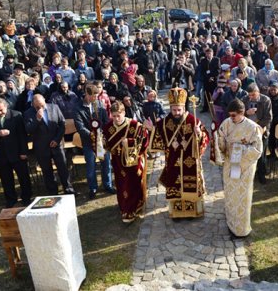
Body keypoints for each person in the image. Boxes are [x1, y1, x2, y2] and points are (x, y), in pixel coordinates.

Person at [147, 87, 210, 218]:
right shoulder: (164, 123)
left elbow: (205, 138)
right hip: (172, 161)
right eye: (174, 110)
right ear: (170, 108)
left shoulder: (193, 121)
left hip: (190, 161)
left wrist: (199, 134)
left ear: (183, 108)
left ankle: (193, 212)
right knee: (174, 185)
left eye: (179, 110)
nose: (176, 113)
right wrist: (151, 129)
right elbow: (158, 139)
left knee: (190, 185)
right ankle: (176, 213)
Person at [217, 99, 263, 237]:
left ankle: (241, 229)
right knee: (231, 195)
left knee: (243, 197)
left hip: (245, 167)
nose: (231, 118)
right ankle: (231, 223)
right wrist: (220, 142)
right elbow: (221, 140)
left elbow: (257, 149)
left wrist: (240, 149)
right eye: (230, 115)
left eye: (233, 115)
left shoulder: (252, 127)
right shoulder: (226, 123)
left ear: (242, 113)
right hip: (230, 165)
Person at [103, 102, 148, 223]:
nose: (117, 118)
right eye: (114, 116)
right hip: (118, 163)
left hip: (133, 162)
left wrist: (129, 142)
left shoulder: (134, 125)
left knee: (134, 183)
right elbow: (105, 145)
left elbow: (144, 141)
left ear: (123, 113)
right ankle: (125, 207)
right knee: (122, 184)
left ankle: (135, 206)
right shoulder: (108, 128)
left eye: (119, 115)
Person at [0, 98, 32, 207]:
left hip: (18, 153)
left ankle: (26, 197)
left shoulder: (17, 115)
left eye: (1, 110)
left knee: (23, 177)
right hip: (2, 155)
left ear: (6, 107)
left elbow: (22, 136)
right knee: (6, 179)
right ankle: (11, 199)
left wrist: (23, 152)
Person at [24, 94, 76, 195]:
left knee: (63, 168)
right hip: (41, 147)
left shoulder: (54, 107)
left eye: (42, 105)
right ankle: (53, 192)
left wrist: (57, 139)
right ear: (33, 105)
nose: (40, 108)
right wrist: (37, 119)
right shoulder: (28, 113)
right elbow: (28, 130)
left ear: (44, 100)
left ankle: (68, 189)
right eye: (37, 106)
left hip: (57, 144)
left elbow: (62, 124)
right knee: (47, 171)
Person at [74, 84, 114, 199]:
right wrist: (93, 135)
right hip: (88, 142)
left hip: (101, 141)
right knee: (90, 166)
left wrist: (101, 134)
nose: (95, 98)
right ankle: (93, 188)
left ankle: (107, 185)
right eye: (93, 96)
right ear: (86, 94)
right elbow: (80, 127)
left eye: (97, 96)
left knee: (106, 164)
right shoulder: (78, 108)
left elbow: (105, 121)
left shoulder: (100, 104)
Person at [242, 84, 272, 184]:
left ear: (258, 92)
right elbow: (239, 114)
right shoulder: (244, 99)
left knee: (261, 154)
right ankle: (250, 174)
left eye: (253, 95)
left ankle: (261, 175)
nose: (251, 97)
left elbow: (268, 118)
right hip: (247, 131)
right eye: (249, 95)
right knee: (248, 153)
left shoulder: (265, 100)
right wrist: (247, 113)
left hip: (261, 131)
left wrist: (257, 127)